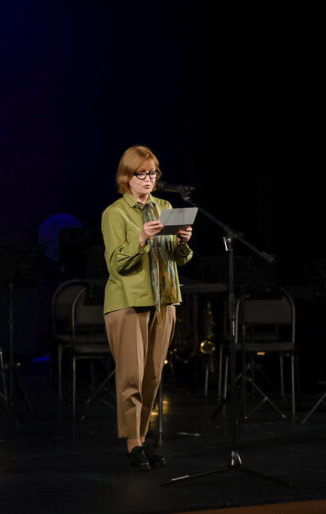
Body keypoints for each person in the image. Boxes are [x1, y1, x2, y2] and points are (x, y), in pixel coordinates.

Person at [101, 145, 193, 471]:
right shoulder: (115, 213)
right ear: (127, 177)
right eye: (141, 174)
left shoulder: (164, 207)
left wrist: (182, 242)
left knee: (152, 376)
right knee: (132, 377)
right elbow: (116, 264)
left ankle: (141, 439)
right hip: (129, 303)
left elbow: (178, 259)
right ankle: (132, 445)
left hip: (164, 299)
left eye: (153, 173)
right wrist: (140, 237)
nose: (148, 179)